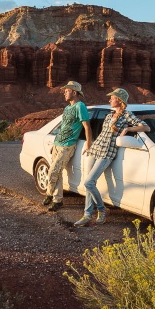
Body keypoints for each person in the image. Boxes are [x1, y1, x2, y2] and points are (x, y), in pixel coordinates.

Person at [74, 88, 150, 227]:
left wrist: (128, 129)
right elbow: (102, 134)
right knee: (89, 182)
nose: (109, 100)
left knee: (89, 183)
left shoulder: (126, 115)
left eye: (112, 98)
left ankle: (102, 210)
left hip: (108, 151)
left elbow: (145, 127)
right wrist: (90, 146)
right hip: (96, 148)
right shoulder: (109, 116)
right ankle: (87, 215)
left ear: (119, 100)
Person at [43, 81, 93, 211]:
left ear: (74, 92)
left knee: (53, 170)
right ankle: (57, 200)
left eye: (67, 90)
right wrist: (54, 143)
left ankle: (48, 193)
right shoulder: (67, 108)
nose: (64, 93)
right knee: (57, 172)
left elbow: (86, 126)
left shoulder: (80, 106)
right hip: (58, 143)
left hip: (68, 145)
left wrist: (88, 144)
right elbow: (63, 128)